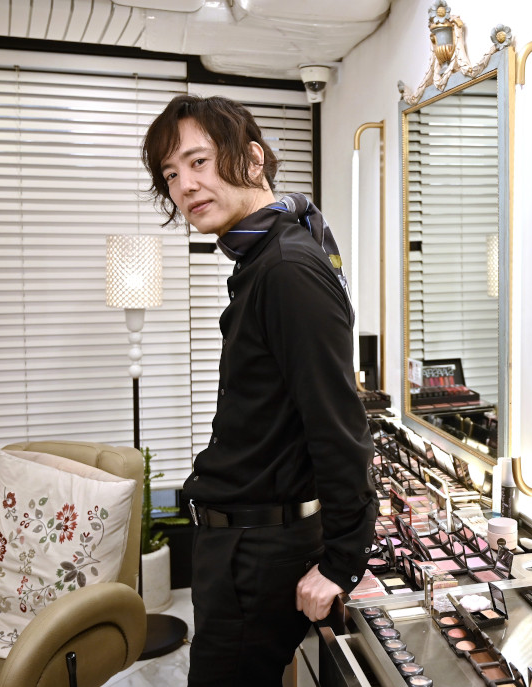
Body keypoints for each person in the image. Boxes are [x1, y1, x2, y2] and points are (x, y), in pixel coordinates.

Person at [142, 94, 377, 685]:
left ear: (250, 158)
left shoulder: (286, 269)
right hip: (238, 541)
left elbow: (337, 420)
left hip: (256, 551)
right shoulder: (263, 257)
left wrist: (342, 563)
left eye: (198, 162)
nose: (185, 185)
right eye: (172, 174)